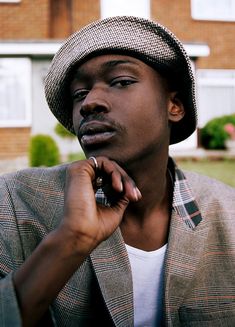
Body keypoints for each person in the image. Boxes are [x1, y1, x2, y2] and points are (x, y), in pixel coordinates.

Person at [0, 16, 235, 327]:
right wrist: (69, 241)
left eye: (121, 81)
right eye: (79, 94)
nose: (90, 103)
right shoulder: (13, 203)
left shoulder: (229, 214)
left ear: (174, 105)